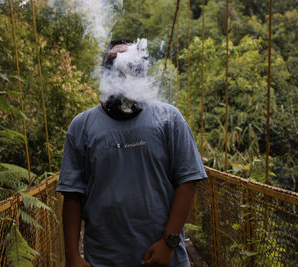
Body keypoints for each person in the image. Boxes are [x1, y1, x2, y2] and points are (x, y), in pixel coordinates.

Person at [56, 39, 207, 267]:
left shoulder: (169, 119)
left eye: (131, 63)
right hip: (103, 260)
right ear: (104, 74)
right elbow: (73, 194)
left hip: (165, 260)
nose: (123, 69)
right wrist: (72, 258)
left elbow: (188, 181)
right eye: (113, 62)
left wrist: (169, 243)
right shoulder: (81, 127)